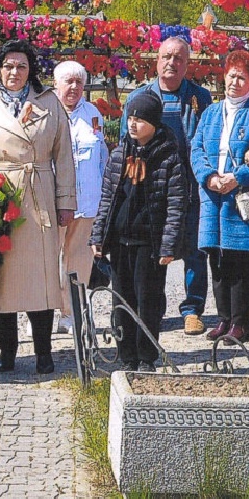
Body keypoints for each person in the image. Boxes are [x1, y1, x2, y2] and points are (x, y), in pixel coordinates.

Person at [0, 39, 77, 373]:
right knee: (4, 279)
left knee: (41, 279)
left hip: (38, 196)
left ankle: (43, 352)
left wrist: (66, 202)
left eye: (21, 66)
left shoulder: (49, 103)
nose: (14, 72)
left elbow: (64, 157)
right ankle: (7, 351)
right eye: (8, 66)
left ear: (30, 70)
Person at [93, 90, 187, 369]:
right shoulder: (120, 153)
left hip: (149, 241)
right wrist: (99, 235)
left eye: (140, 119)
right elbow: (107, 198)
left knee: (148, 300)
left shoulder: (168, 157)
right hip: (120, 239)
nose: (133, 124)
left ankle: (146, 356)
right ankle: (126, 356)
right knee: (122, 300)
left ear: (154, 123)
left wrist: (169, 245)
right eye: (130, 118)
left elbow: (176, 203)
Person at [189, 50, 249, 344]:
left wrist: (238, 177)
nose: (235, 82)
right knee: (216, 258)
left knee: (240, 261)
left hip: (241, 197)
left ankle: (241, 323)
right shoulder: (211, 113)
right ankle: (223, 318)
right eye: (231, 75)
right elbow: (196, 150)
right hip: (213, 196)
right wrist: (209, 177)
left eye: (242, 77)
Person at [146, 36, 215, 334]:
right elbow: (127, 143)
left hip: (191, 187)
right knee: (154, 251)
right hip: (154, 189)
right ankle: (154, 309)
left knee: (195, 252)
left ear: (187, 64)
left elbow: (209, 140)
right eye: (166, 57)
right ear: (157, 60)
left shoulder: (200, 98)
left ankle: (192, 309)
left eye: (178, 58)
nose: (171, 63)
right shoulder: (141, 97)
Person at [53, 60, 108, 328]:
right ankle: (45, 312)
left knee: (79, 261)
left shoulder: (93, 113)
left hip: (87, 202)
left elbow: (102, 156)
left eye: (79, 82)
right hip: (54, 201)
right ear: (56, 84)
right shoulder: (47, 112)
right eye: (69, 81)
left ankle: (72, 313)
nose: (74, 87)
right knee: (50, 260)